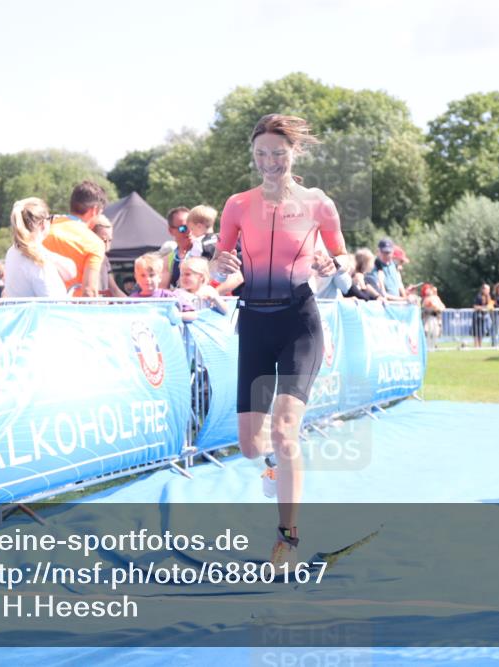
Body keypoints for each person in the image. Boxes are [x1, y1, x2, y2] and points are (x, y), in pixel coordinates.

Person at [210, 113, 349, 566]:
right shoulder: (236, 205)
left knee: (286, 431)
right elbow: (218, 264)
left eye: (278, 153)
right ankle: (275, 467)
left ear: (295, 153)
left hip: (299, 325)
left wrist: (335, 266)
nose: (269, 161)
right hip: (252, 321)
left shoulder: (317, 203)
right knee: (252, 445)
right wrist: (221, 267)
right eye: (261, 154)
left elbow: (343, 256)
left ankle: (287, 538)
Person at [42, 181, 108, 296]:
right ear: (95, 210)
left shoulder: (43, 230)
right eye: (100, 213)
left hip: (39, 307)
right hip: (70, 310)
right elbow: (89, 290)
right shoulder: (95, 243)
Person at [3, 198, 76, 298]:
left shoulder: (12, 252)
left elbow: (70, 271)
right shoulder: (38, 261)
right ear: (43, 224)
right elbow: (55, 302)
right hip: (42, 313)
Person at [89, 214, 128, 297]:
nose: (107, 247)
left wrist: (134, 305)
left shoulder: (104, 259)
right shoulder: (83, 257)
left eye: (110, 240)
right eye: (103, 240)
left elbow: (114, 290)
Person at [421, 284, 445, 350]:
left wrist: (438, 308)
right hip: (429, 318)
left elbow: (442, 307)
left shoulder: (436, 298)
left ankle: (433, 346)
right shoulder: (426, 299)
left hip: (436, 317)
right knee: (428, 332)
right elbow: (425, 308)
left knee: (435, 333)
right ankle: (428, 347)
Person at [472, 283, 493, 348]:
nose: (488, 291)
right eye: (487, 289)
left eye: (489, 289)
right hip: (477, 316)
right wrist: (483, 307)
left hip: (484, 316)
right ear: (483, 289)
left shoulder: (489, 297)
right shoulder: (478, 296)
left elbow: (490, 305)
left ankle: (480, 346)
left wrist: (489, 307)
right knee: (476, 332)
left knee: (482, 332)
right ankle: (476, 346)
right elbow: (475, 306)